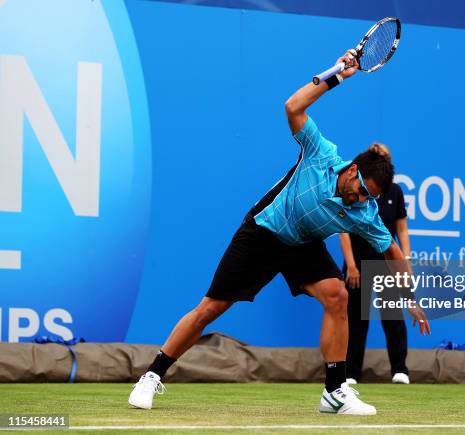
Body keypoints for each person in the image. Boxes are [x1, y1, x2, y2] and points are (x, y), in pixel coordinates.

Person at [128, 49, 430, 416]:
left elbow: (392, 252)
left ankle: (335, 391)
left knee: (337, 295)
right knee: (211, 308)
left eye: (372, 197)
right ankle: (152, 375)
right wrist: (336, 74)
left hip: (301, 244)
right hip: (264, 231)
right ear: (351, 171)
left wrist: (407, 296)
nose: (363, 200)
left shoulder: (364, 212)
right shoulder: (321, 153)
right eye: (363, 191)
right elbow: (292, 107)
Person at [339, 144, 412, 385]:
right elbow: (343, 229)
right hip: (357, 264)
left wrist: (406, 262)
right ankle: (351, 372)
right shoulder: (357, 189)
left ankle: (400, 369)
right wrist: (350, 264)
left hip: (386, 264)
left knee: (392, 317)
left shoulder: (395, 192)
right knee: (356, 320)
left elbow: (401, 229)